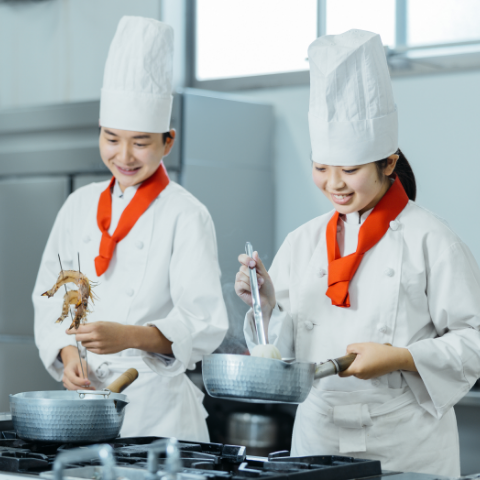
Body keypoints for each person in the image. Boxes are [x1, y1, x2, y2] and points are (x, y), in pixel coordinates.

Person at [235, 29, 480, 476]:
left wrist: (402, 357)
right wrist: (265, 305)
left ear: (388, 163)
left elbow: (473, 340)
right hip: (316, 438)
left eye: (349, 169)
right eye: (321, 167)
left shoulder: (431, 239)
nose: (334, 183)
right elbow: (281, 357)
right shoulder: (303, 241)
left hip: (405, 443)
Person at [33, 16, 228, 442]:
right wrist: (67, 355)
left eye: (140, 142)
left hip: (159, 413)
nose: (123, 156)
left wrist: (129, 337)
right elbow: (50, 297)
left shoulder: (185, 214)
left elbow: (204, 323)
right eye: (111, 138)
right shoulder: (78, 205)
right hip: (87, 405)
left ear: (168, 141)